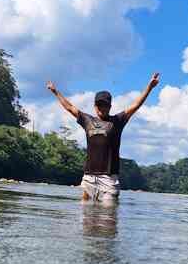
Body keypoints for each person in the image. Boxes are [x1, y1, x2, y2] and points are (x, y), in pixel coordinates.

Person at [46, 73, 160, 203]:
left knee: (108, 218)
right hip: (89, 177)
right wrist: (55, 92)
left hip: (109, 179)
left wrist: (149, 87)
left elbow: (135, 105)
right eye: (99, 105)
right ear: (95, 106)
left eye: (104, 105)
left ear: (110, 107)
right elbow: (69, 107)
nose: (101, 108)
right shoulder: (87, 120)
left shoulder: (117, 121)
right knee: (86, 219)